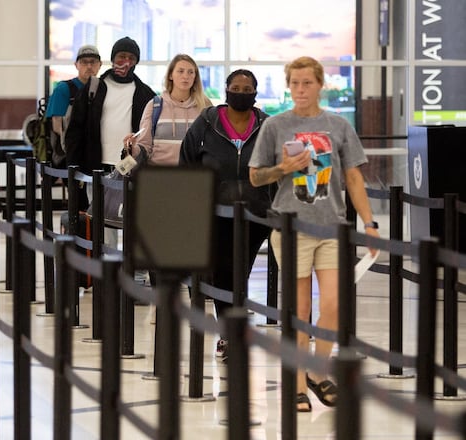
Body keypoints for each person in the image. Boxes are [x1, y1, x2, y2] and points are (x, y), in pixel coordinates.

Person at [248, 56, 379, 412]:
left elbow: (353, 177)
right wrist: (283, 168)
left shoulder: (338, 125)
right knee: (300, 309)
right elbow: (256, 176)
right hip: (291, 228)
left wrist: (369, 223)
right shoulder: (275, 125)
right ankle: (297, 382)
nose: (301, 90)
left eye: (307, 83)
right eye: (295, 83)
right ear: (288, 86)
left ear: (320, 84)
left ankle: (317, 371)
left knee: (335, 305)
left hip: (331, 226)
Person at [178, 69, 272, 362]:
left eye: (247, 88)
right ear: (226, 89)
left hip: (256, 213)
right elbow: (188, 161)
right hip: (215, 210)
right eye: (236, 87)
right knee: (221, 272)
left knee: (239, 270)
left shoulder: (266, 125)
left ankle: (234, 329)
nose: (241, 92)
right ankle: (229, 334)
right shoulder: (207, 122)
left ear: (255, 94)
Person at [65, 36, 155, 251]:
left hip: (129, 168)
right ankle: (106, 270)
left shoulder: (145, 93)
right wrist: (73, 165)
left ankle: (133, 270)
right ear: (113, 58)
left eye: (131, 58)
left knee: (133, 219)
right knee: (101, 224)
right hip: (95, 167)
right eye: (121, 56)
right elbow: (75, 129)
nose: (125, 61)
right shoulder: (94, 88)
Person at [127, 53, 212, 166]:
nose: (186, 76)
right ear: (171, 75)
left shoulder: (205, 106)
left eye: (191, 72)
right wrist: (132, 148)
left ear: (195, 77)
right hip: (158, 176)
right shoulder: (155, 105)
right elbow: (144, 146)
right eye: (180, 71)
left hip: (192, 176)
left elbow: (211, 145)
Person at [46, 44, 102, 162]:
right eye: (84, 62)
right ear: (76, 65)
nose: (89, 66)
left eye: (93, 62)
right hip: (68, 154)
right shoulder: (64, 89)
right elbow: (57, 126)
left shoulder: (102, 90)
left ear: (100, 65)